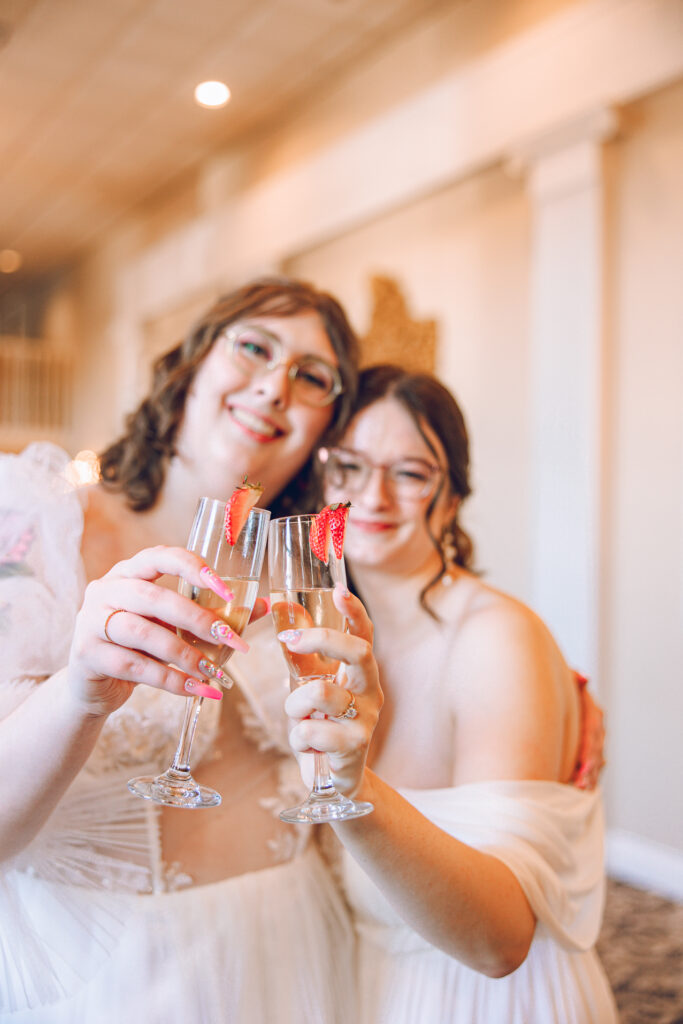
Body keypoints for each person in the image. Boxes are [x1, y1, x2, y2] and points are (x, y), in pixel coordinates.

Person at [0, 277, 361, 1023]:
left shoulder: (314, 570)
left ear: (327, 422)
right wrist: (78, 693)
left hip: (292, 944)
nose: (273, 386)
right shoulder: (41, 528)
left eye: (311, 376)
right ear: (191, 365)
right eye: (254, 347)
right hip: (117, 973)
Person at [277, 364, 617, 1023]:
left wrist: (353, 791)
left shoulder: (493, 640)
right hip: (375, 983)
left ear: (451, 497)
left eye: (409, 474)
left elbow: (498, 940)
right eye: (348, 467)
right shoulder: (327, 635)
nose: (372, 497)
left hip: (482, 1000)